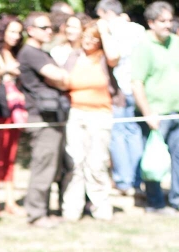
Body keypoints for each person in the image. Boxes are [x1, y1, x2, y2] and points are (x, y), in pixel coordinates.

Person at [62, 19, 121, 221]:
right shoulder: (73, 57)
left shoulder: (104, 58)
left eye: (93, 38)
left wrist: (103, 31)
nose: (88, 41)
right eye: (86, 36)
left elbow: (115, 56)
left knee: (97, 162)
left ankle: (101, 208)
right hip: (76, 113)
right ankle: (72, 209)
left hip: (100, 114)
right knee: (75, 162)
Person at [17, 11, 69, 228]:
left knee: (53, 166)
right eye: (44, 28)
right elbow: (60, 77)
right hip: (41, 117)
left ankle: (44, 210)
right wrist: (63, 79)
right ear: (30, 30)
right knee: (43, 165)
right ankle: (36, 214)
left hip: (52, 117)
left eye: (50, 28)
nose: (50, 31)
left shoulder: (41, 52)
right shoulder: (31, 53)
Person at [131, 1, 179, 215]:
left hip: (176, 111)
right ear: (151, 23)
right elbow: (137, 82)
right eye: (162, 21)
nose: (167, 25)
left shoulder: (176, 43)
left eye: (170, 20)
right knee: (153, 160)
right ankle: (155, 203)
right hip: (155, 114)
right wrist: (148, 113)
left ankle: (176, 200)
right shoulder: (144, 47)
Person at [95, 0, 145, 196]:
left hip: (119, 90)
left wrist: (105, 32)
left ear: (105, 13)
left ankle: (124, 182)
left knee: (118, 135)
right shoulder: (138, 29)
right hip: (138, 87)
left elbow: (112, 57)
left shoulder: (110, 30)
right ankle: (136, 181)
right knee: (134, 134)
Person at [0, 15, 25, 216]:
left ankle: (10, 201)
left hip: (15, 112)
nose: (16, 36)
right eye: (12, 31)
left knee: (10, 156)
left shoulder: (18, 53)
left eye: (19, 32)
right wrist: (5, 70)